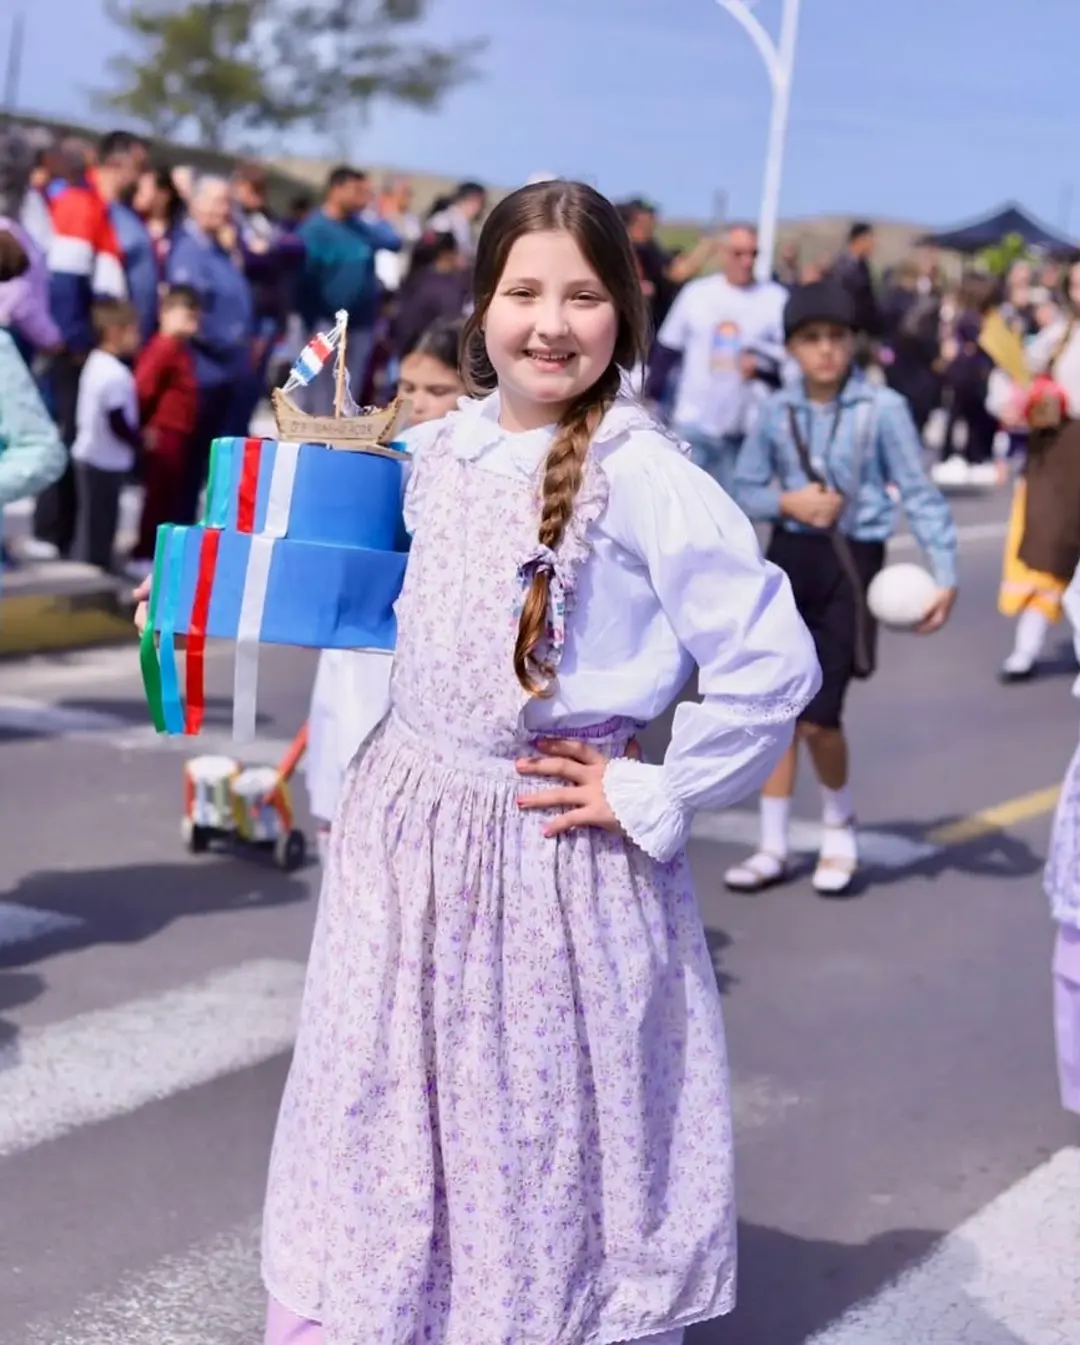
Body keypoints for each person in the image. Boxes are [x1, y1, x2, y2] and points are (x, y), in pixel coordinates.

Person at [239, 179, 819, 1345]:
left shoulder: (643, 473)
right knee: (384, 1107)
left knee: (527, 1129)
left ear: (628, 312)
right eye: (524, 292)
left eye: (585, 295)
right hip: (407, 841)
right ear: (481, 303)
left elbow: (770, 660)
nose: (551, 323)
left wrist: (652, 783)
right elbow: (343, 568)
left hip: (546, 862)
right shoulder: (437, 443)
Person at [727, 281, 958, 896]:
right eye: (811, 339)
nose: (826, 350)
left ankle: (840, 828)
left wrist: (946, 576)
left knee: (821, 718)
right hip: (788, 562)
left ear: (852, 343)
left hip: (852, 567)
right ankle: (773, 845)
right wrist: (786, 500)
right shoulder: (777, 412)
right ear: (793, 348)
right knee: (777, 710)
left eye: (836, 337)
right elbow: (741, 487)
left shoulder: (882, 411)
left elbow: (920, 492)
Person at [305, 319, 467, 856]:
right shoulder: (384, 453)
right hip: (360, 643)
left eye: (439, 391)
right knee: (345, 767)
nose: (418, 403)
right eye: (409, 388)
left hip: (425, 656)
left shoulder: (472, 467)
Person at [644, 223, 787, 494]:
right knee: (686, 504)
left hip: (745, 427)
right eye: (738, 253)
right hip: (694, 422)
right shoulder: (697, 294)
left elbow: (790, 364)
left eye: (753, 254)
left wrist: (761, 371)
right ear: (723, 253)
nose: (746, 261)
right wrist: (650, 401)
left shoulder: (774, 300)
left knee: (735, 515)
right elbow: (668, 349)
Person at [127, 285, 201, 578]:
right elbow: (142, 389)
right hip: (164, 433)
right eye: (186, 317)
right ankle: (143, 552)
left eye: (195, 319)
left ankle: (155, 552)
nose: (192, 325)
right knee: (157, 496)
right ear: (165, 314)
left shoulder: (180, 349)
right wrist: (144, 429)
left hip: (178, 433)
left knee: (168, 495)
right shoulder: (162, 348)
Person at [71, 299, 142, 571]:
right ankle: (92, 574)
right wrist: (139, 441)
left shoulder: (96, 363)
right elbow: (116, 421)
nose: (138, 337)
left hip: (94, 455)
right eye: (133, 331)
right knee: (99, 522)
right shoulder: (113, 373)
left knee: (95, 519)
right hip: (103, 458)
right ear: (116, 332)